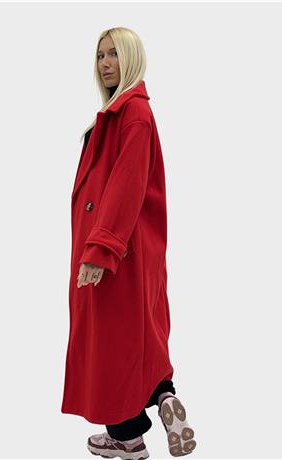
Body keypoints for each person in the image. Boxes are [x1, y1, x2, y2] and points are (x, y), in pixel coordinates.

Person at [61, 27, 196, 459]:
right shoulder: (123, 111)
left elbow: (126, 185)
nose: (105, 63)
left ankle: (126, 438)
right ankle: (164, 397)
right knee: (140, 333)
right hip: (133, 247)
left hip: (118, 249)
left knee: (111, 343)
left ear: (132, 57)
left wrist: (100, 249)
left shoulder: (132, 113)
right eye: (100, 55)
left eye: (114, 54)